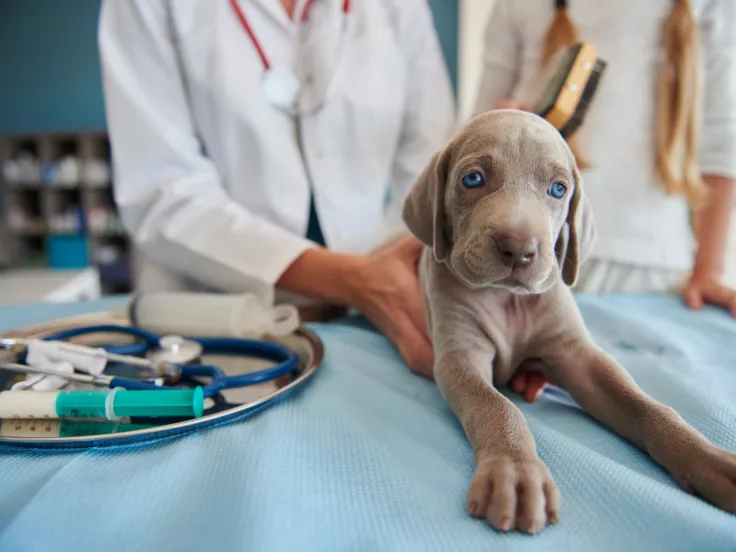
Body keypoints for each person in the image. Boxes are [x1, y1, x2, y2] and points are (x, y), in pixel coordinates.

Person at [97, 0, 456, 378]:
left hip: (373, 316)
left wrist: (407, 275)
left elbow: (431, 165)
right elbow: (162, 189)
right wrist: (356, 279)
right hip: (214, 320)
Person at [473, 0, 736, 401]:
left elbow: (722, 145)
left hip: (658, 279)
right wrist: (501, 121)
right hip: (537, 265)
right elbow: (476, 131)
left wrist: (710, 270)